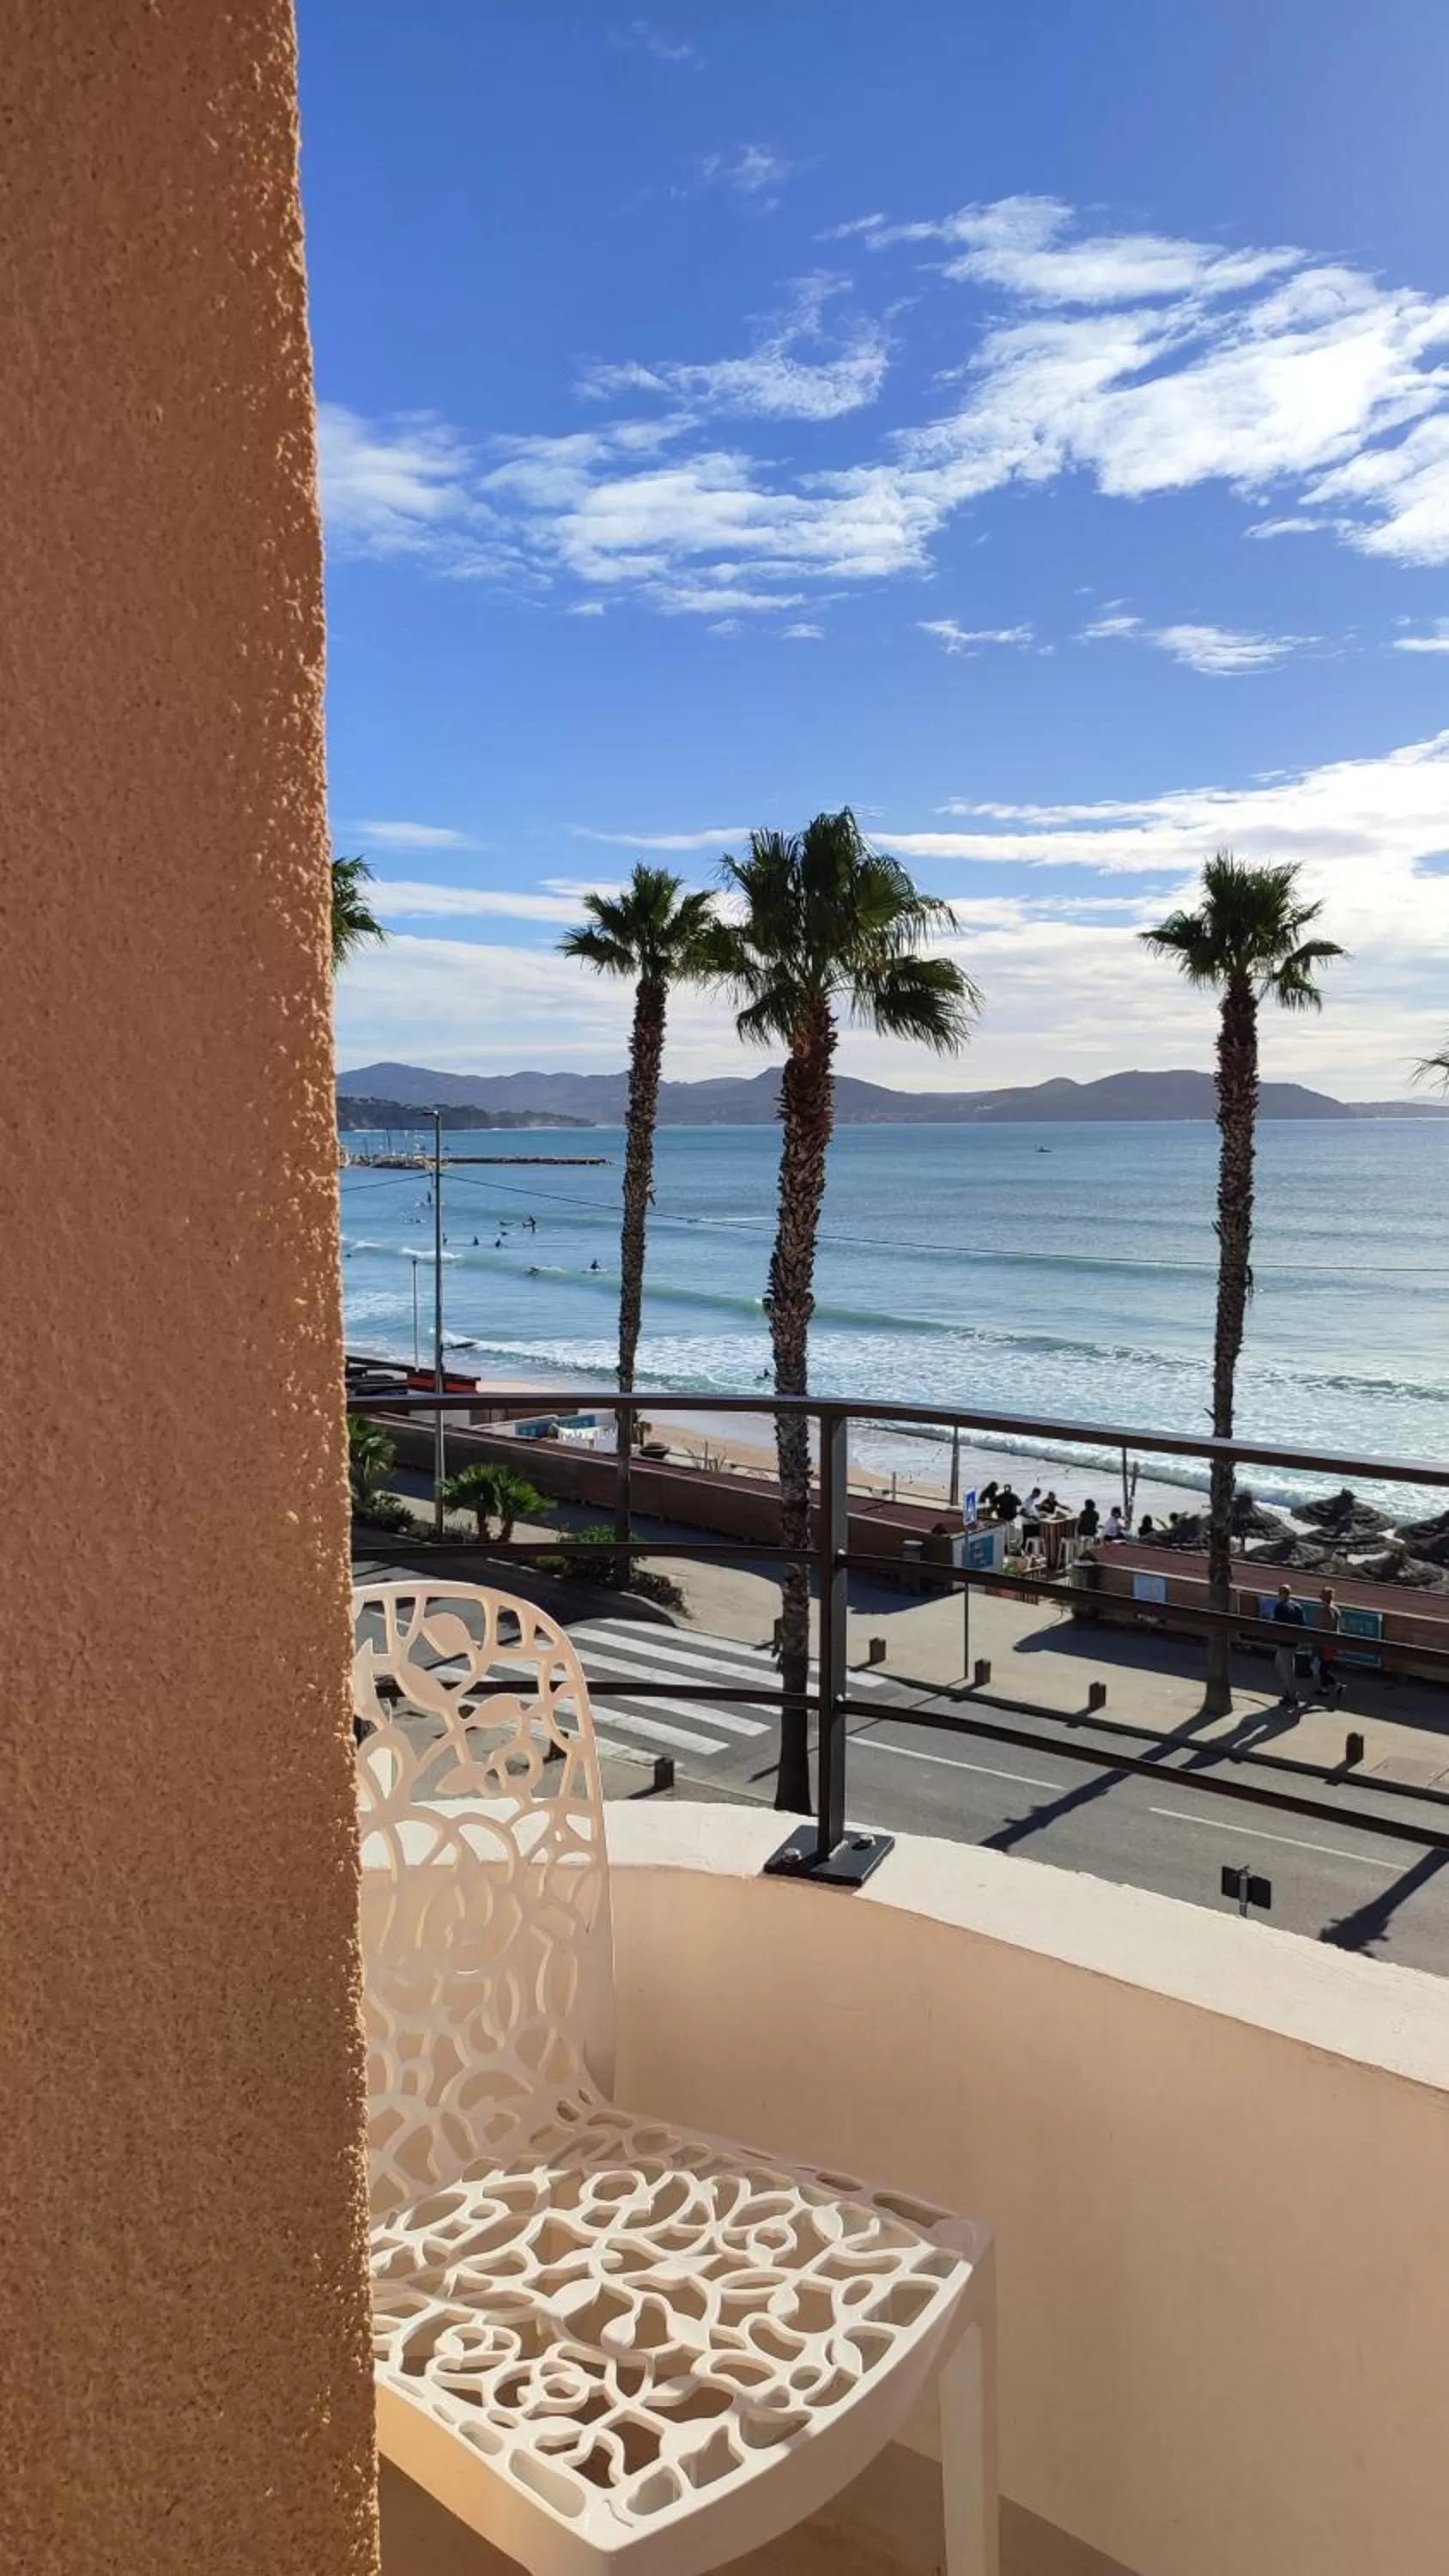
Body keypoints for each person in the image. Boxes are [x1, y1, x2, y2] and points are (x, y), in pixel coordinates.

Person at [1271, 1583, 1307, 1706]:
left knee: (1287, 1670)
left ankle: (1292, 1695)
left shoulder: (1280, 1606)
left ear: (1281, 1594)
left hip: (1284, 1642)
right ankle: (1290, 1691)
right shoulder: (1297, 1606)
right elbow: (1302, 1624)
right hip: (1295, 1641)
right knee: (1281, 1665)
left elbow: (1276, 1624)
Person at [1314, 1585, 1344, 1704]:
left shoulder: (1326, 1610)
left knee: (1323, 1669)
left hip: (1326, 1642)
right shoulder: (1336, 1609)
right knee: (1325, 1667)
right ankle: (1324, 1688)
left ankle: (1337, 1685)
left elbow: (1325, 1626)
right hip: (1333, 1642)